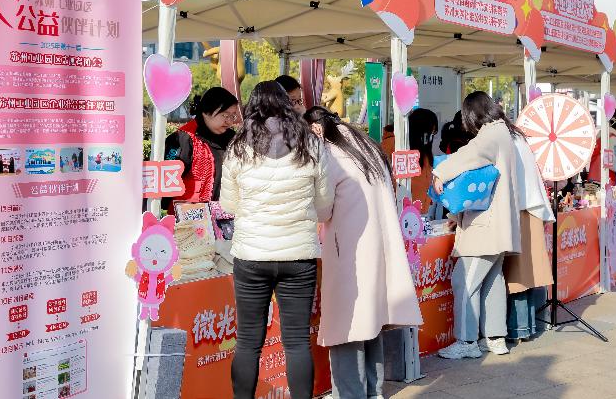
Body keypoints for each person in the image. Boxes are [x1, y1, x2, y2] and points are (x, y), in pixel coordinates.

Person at [220, 81, 333, 399]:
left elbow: (229, 204)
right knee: (296, 342)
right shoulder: (311, 144)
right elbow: (325, 204)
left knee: (247, 341)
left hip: (252, 255)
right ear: (286, 105)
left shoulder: (238, 147)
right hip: (298, 255)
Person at [304, 106, 422, 399]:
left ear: (315, 129)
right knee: (370, 320)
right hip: (376, 246)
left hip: (349, 248)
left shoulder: (331, 152)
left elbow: (323, 209)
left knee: (347, 324)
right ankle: (373, 390)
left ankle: (350, 392)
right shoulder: (366, 145)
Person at [432, 91, 521, 359]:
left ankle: (467, 341)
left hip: (484, 226)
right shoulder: (504, 133)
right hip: (498, 225)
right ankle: (495, 338)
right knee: (492, 282)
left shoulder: (490, 134)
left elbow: (468, 154)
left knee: (465, 281)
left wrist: (440, 173)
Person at [503, 134, 555, 341]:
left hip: (520, 209)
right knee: (526, 274)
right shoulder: (518, 140)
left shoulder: (507, 139)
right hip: (530, 208)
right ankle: (528, 326)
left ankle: (520, 328)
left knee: (518, 276)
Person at [162, 87, 239, 211]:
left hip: (224, 214)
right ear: (206, 112)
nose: (229, 121)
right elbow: (167, 181)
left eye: (233, 116)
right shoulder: (182, 139)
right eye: (225, 115)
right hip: (189, 215)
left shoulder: (233, 139)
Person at [381, 108, 438, 214]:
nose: (430, 137)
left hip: (418, 212)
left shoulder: (423, 150)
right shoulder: (394, 144)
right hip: (397, 210)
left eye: (433, 133)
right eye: (429, 132)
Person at [587, 117, 616, 185]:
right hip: (605, 177)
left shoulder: (604, 136)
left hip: (595, 174)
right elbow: (612, 162)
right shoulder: (614, 139)